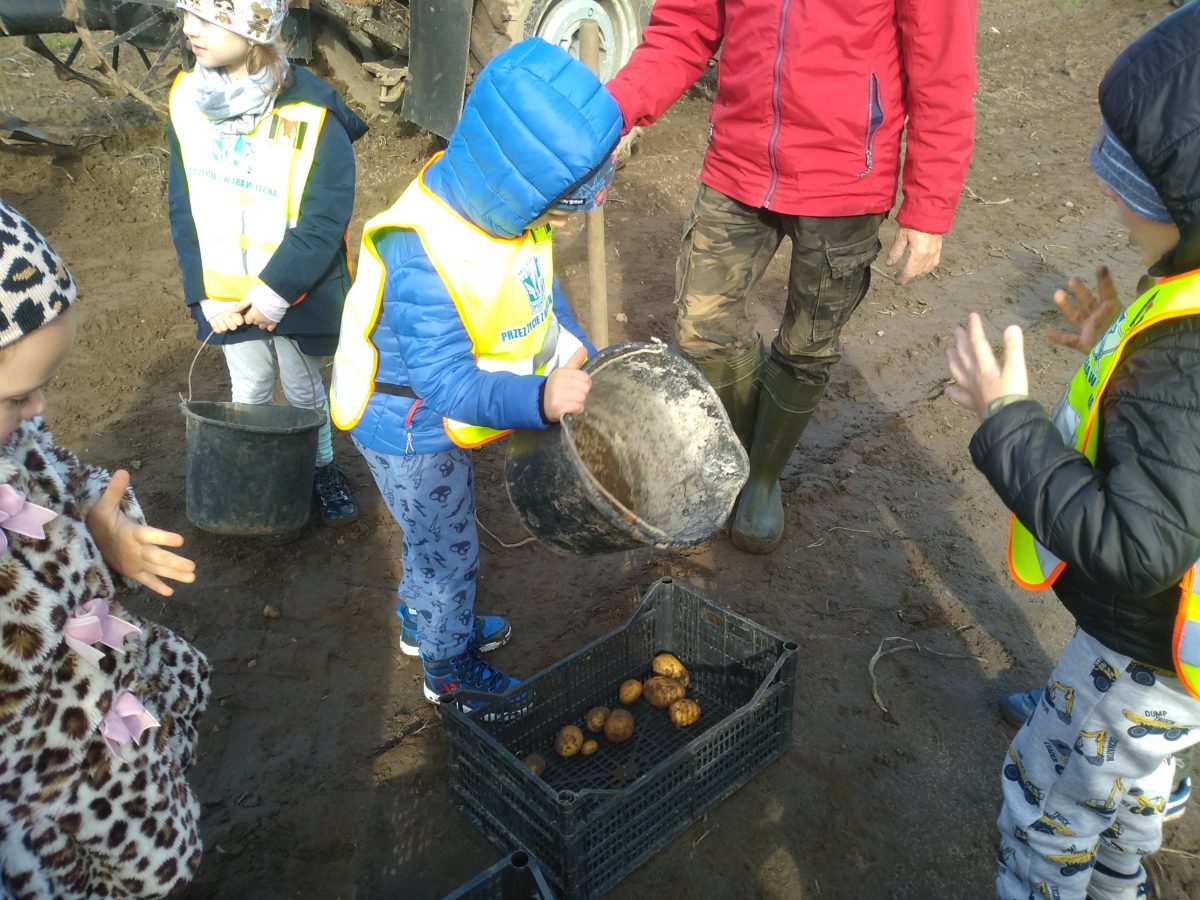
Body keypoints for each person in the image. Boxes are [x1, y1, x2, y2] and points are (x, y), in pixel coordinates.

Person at [944, 7, 1200, 897]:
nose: (1111, 196)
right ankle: (1122, 873)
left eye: (1136, 185)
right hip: (1168, 678)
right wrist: (1115, 343)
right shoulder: (1184, 325)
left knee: (1046, 806)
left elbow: (1137, 544)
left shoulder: (1186, 361)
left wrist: (1006, 419)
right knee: (1131, 785)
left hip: (1135, 660)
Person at [604, 0, 978, 553]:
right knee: (704, 324)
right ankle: (738, 456)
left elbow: (942, 69)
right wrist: (615, 110)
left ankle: (761, 477)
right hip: (738, 161)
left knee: (807, 344)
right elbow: (685, 24)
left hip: (846, 176)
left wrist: (929, 206)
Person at [329, 38, 620, 704]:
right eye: (556, 211)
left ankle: (421, 622)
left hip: (432, 412)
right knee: (447, 552)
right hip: (406, 425)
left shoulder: (507, 211)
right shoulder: (423, 254)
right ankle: (448, 669)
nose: (556, 226)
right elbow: (445, 384)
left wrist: (571, 344)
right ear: (521, 187)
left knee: (431, 536)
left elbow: (539, 285)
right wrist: (539, 398)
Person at [0, 198, 210, 896]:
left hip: (111, 733)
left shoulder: (15, 442)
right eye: (17, 398)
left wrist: (99, 524)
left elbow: (61, 473)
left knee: (153, 852)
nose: (39, 410)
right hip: (48, 816)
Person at [167, 0, 367, 540]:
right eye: (187, 13)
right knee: (250, 384)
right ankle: (258, 473)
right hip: (225, 293)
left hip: (295, 288)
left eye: (209, 19)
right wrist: (201, 292)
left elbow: (325, 217)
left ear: (254, 29)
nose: (189, 29)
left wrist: (276, 292)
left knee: (304, 388)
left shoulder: (312, 112)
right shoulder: (186, 100)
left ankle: (321, 466)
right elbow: (183, 205)